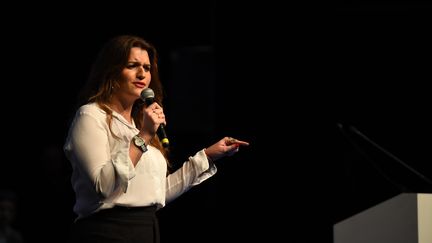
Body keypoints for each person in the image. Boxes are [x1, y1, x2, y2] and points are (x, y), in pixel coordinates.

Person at [63, 34, 249, 243]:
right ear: (112, 71)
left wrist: (207, 156)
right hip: (106, 231)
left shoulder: (139, 124)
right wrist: (143, 136)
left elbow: (157, 192)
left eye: (147, 67)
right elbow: (103, 186)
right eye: (133, 65)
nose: (142, 73)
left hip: (146, 230)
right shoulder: (91, 116)